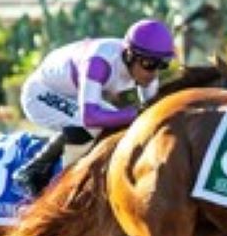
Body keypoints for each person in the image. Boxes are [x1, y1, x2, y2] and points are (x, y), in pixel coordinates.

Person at [12, 18, 177, 196]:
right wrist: (135, 114)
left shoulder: (145, 68)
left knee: (117, 120)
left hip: (72, 93)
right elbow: (89, 117)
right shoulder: (99, 63)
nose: (153, 73)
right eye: (149, 64)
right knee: (95, 123)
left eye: (162, 65)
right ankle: (32, 171)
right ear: (129, 55)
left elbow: (151, 113)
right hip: (39, 92)